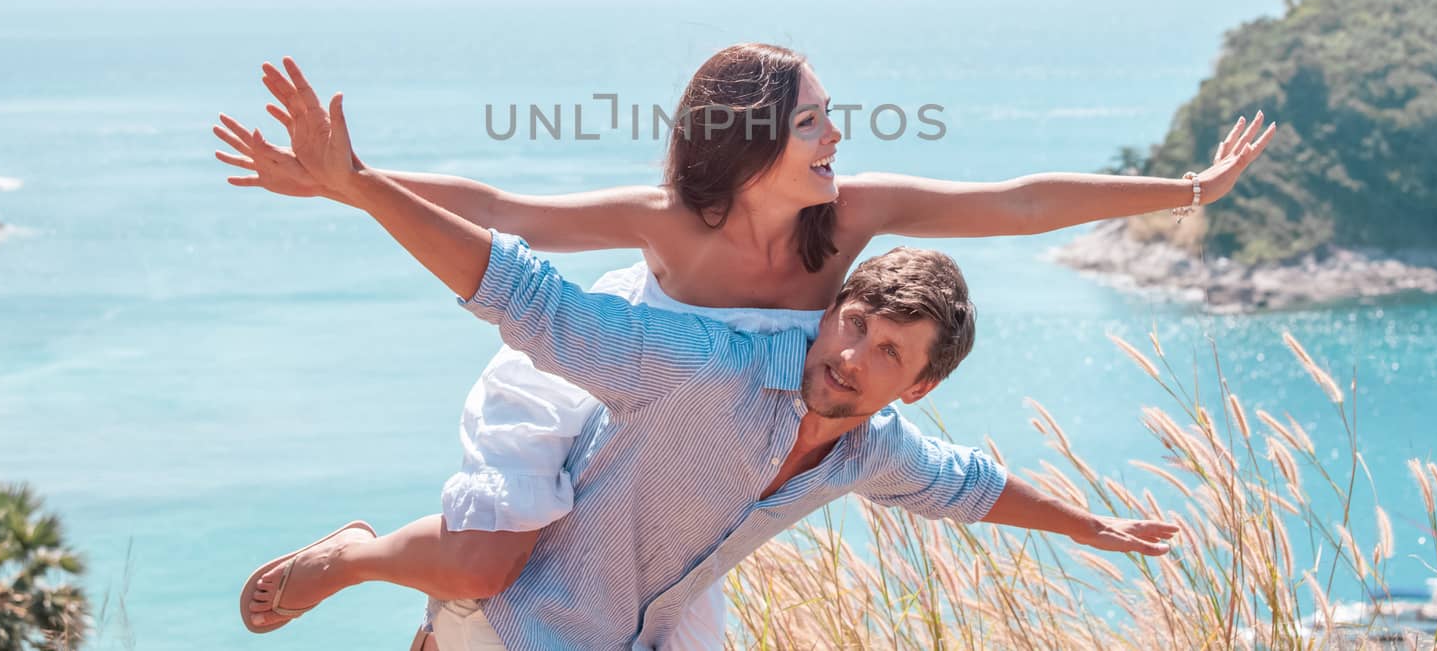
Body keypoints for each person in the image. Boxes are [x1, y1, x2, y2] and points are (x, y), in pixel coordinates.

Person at [215, 46, 1273, 645]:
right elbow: (502, 210)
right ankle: (357, 552)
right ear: (751, 140)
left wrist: (1185, 189)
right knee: (497, 555)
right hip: (607, 379)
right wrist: (349, 181)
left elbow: (1019, 199)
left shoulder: (848, 222)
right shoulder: (670, 222)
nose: (835, 138)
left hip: (737, 438)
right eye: (813, 122)